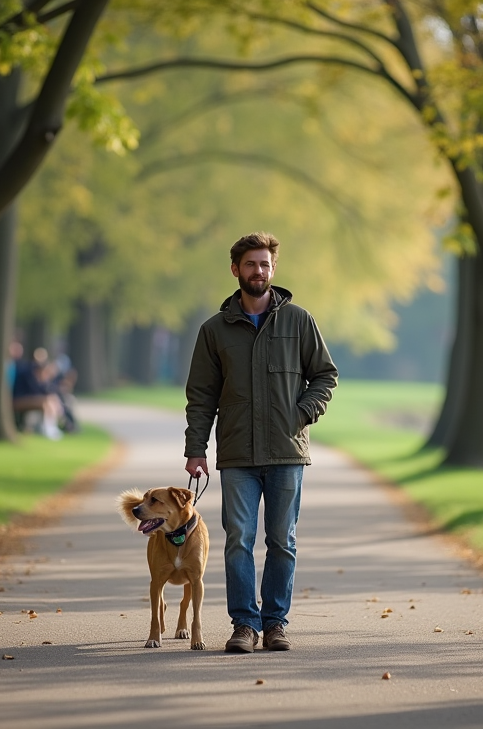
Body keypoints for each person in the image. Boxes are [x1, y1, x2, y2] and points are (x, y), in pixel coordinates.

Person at [184, 231, 338, 654]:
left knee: (282, 540)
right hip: (236, 454)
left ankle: (275, 624)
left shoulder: (298, 321)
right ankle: (244, 626)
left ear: (273, 270)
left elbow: (325, 374)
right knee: (238, 539)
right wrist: (195, 449)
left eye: (265, 264)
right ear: (236, 270)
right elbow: (201, 395)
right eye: (250, 264)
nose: (258, 271)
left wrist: (302, 412)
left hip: (288, 452)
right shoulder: (214, 330)